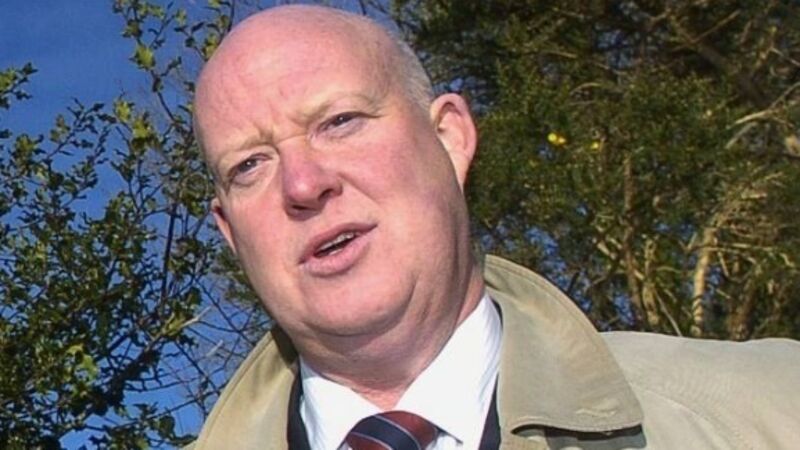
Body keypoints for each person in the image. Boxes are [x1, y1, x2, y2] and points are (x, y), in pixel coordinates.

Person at [191, 5, 800, 449]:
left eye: (340, 122)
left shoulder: (770, 409)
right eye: (249, 166)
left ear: (449, 138)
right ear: (230, 233)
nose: (302, 185)